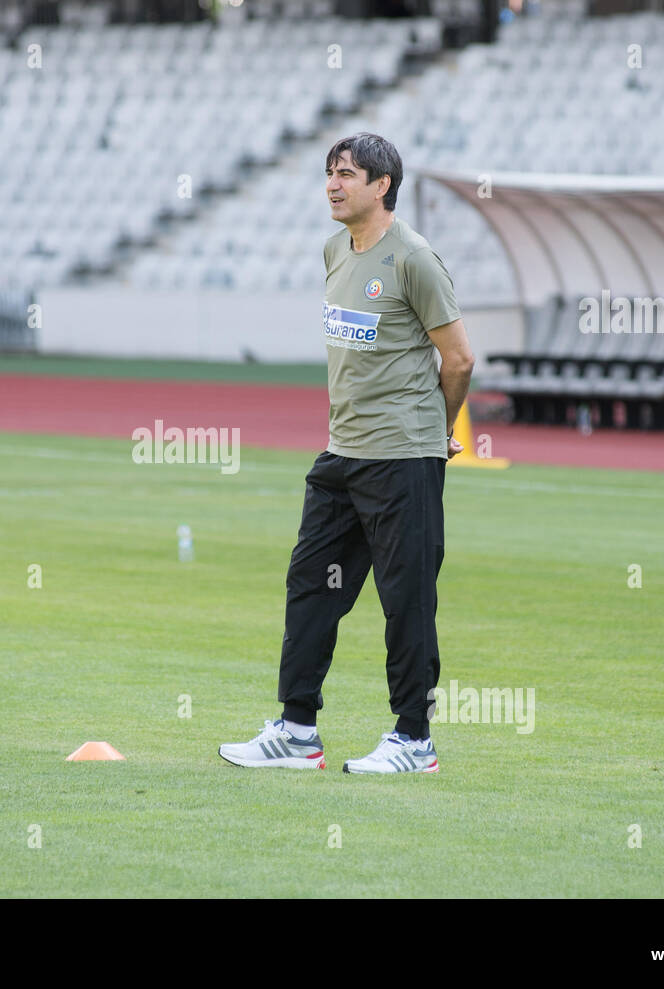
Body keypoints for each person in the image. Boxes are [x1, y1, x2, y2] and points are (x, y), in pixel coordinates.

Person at [218, 133, 474, 775]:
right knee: (311, 584)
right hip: (341, 456)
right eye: (329, 174)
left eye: (347, 174)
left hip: (404, 458)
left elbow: (460, 358)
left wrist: (437, 432)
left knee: (405, 597)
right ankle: (297, 730)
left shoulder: (413, 259)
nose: (333, 185)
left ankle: (413, 739)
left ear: (382, 185)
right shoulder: (335, 249)